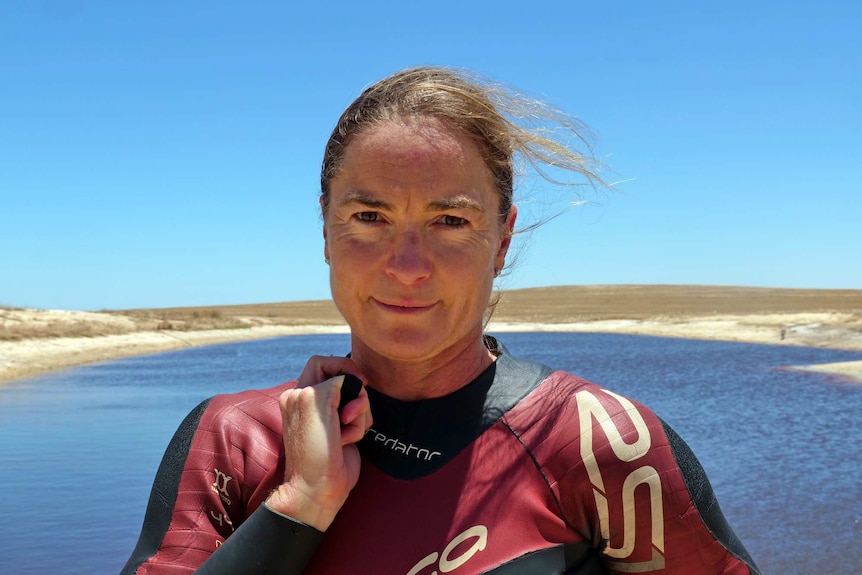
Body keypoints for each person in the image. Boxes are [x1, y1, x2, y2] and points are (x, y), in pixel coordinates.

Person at [120, 66, 760, 574]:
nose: (406, 265)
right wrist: (300, 505)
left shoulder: (599, 445)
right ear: (324, 228)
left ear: (502, 241)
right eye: (369, 218)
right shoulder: (235, 442)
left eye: (450, 222)